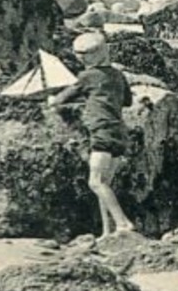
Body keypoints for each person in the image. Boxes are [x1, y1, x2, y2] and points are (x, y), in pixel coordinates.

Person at [44, 32, 138, 238]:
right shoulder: (118, 75)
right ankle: (107, 231)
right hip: (119, 133)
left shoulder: (87, 76)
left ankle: (123, 223)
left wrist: (52, 100)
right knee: (105, 184)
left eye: (82, 54)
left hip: (101, 133)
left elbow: (62, 98)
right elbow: (128, 101)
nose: (80, 58)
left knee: (95, 182)